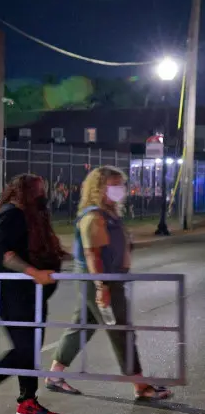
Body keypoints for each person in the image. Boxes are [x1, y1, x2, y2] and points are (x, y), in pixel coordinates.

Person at [44, 166, 172, 401]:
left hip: (105, 279)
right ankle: (140, 385)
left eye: (120, 184)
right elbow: (93, 255)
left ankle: (54, 375)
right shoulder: (94, 216)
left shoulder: (109, 214)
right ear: (98, 188)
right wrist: (102, 287)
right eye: (113, 184)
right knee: (121, 330)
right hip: (101, 280)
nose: (119, 189)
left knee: (81, 325)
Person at [0, 174, 68, 414]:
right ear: (23, 192)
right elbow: (2, 252)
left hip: (32, 293)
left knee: (31, 348)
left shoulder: (33, 217)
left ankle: (28, 401)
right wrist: (34, 272)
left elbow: (40, 248)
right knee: (25, 348)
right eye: (38, 190)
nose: (43, 194)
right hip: (13, 293)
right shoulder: (10, 214)